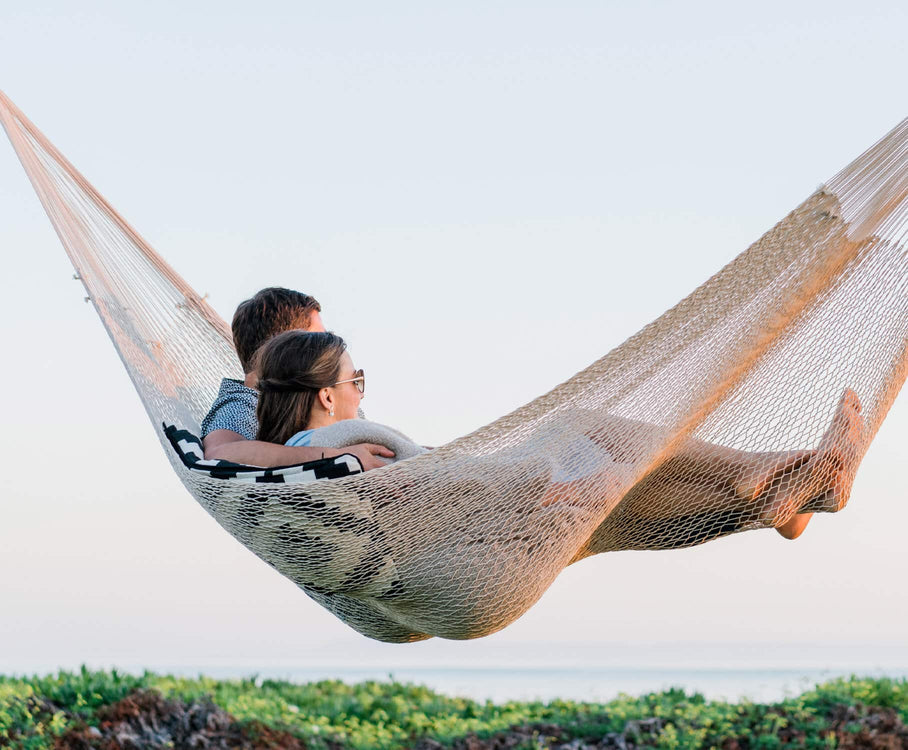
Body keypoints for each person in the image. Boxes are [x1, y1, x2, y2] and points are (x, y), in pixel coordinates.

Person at [253, 330, 866, 544]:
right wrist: (547, 482)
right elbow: (434, 490)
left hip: (484, 538)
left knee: (638, 509)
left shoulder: (302, 464)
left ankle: (782, 501)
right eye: (354, 378)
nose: (362, 389)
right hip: (504, 512)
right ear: (326, 397)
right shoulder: (348, 441)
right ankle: (761, 469)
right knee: (585, 429)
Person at [200, 287, 393, 470]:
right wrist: (339, 459)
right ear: (286, 346)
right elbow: (220, 454)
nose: (329, 346)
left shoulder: (319, 397)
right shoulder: (244, 404)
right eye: (317, 338)